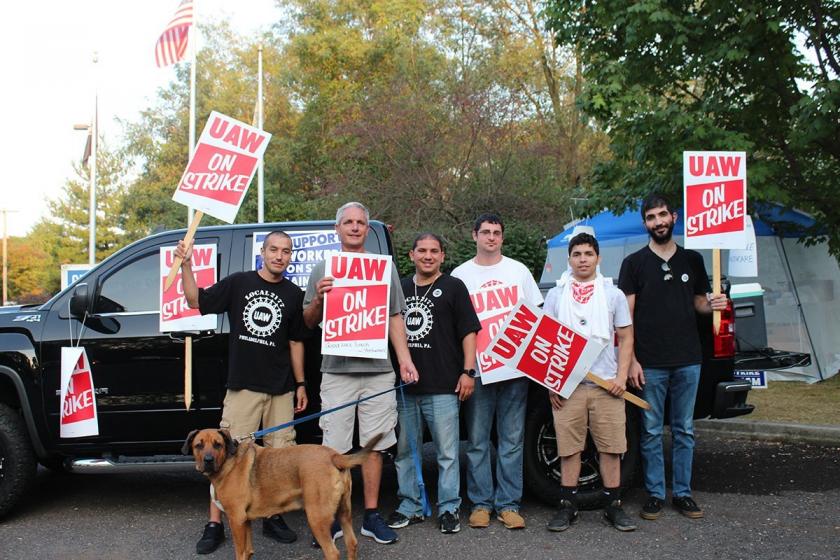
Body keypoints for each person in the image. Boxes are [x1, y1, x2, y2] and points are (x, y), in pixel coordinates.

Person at [176, 231, 309, 555]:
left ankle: (272, 517)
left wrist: (301, 382)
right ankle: (214, 524)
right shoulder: (239, 283)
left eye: (286, 251)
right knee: (223, 458)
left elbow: (295, 342)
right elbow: (195, 300)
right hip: (244, 386)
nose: (279, 256)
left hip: (280, 389)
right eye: (274, 249)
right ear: (262, 252)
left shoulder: (293, 294)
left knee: (280, 456)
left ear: (291, 257)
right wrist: (186, 265)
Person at [303, 202, 419, 545]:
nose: (354, 227)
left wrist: (405, 360)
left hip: (378, 370)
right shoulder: (324, 267)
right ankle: (336, 518)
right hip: (337, 371)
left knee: (375, 445)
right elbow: (309, 322)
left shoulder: (384, 269)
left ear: (368, 230)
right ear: (337, 229)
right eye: (348, 222)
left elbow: (395, 316)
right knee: (334, 450)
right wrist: (320, 299)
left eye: (360, 223)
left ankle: (370, 515)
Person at [617, 193, 727, 521]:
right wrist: (632, 359)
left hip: (688, 358)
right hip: (649, 361)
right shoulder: (633, 263)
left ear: (674, 217)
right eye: (651, 218)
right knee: (650, 430)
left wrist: (714, 305)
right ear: (645, 223)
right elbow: (626, 318)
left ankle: (682, 493)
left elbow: (699, 304)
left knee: (684, 429)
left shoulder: (692, 260)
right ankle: (654, 494)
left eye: (662, 215)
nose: (658, 222)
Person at [451, 213, 543, 530]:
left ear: (503, 237)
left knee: (512, 440)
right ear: (474, 235)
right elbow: (455, 326)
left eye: (497, 233)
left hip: (515, 371)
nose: (491, 237)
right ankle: (480, 503)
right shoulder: (460, 275)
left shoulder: (518, 271)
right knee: (476, 440)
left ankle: (508, 504)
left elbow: (537, 316)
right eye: (486, 232)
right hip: (478, 370)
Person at [387, 233, 481, 535]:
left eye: (434, 251)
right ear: (411, 255)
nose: (428, 256)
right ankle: (410, 506)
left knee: (447, 452)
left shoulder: (453, 286)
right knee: (405, 451)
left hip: (443, 385)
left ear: (442, 256)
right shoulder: (399, 287)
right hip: (405, 387)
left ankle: (449, 508)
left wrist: (469, 371)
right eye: (422, 251)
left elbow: (469, 332)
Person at [542, 232, 636, 533]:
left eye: (588, 254)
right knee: (569, 449)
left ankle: (613, 506)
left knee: (611, 448)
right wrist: (551, 382)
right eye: (577, 254)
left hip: (606, 384)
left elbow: (625, 336)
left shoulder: (613, 295)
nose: (583, 259)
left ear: (598, 258)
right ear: (568, 259)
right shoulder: (556, 296)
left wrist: (621, 377)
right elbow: (546, 341)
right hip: (568, 386)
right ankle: (567, 506)